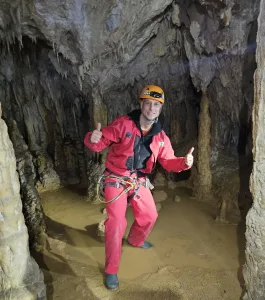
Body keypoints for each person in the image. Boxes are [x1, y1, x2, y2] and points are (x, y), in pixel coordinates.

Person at [84, 84, 194, 290]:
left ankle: (135, 240)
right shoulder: (123, 124)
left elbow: (168, 161)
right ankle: (111, 270)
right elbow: (100, 141)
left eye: (156, 105)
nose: (152, 108)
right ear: (141, 104)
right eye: (148, 104)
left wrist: (184, 163)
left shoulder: (160, 137)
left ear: (160, 109)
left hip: (139, 180)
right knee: (116, 223)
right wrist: (93, 138)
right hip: (116, 178)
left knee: (150, 216)